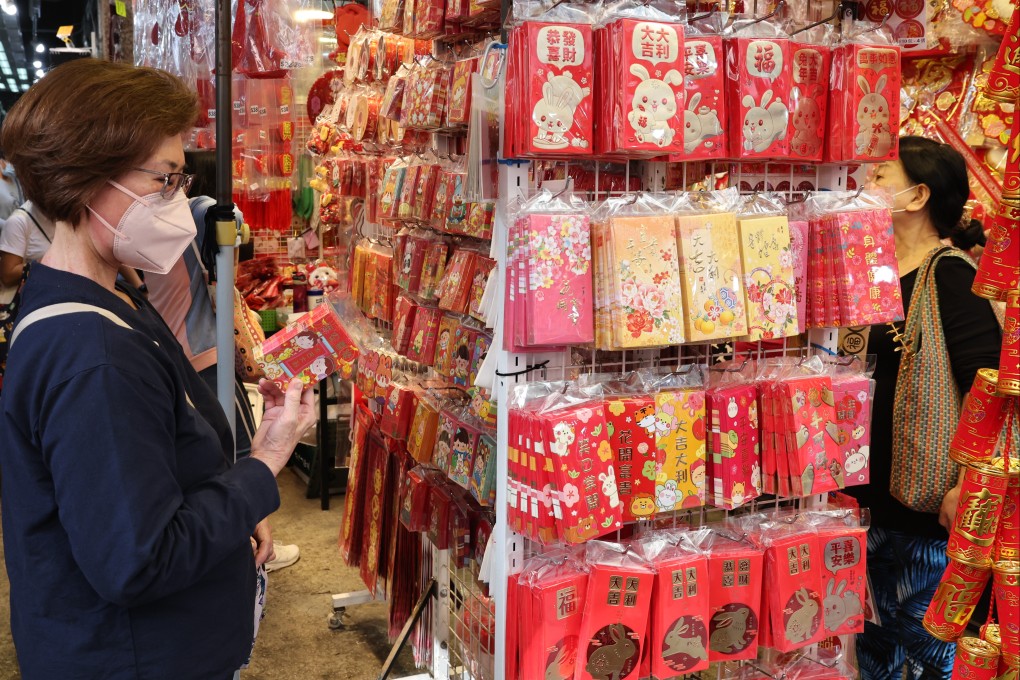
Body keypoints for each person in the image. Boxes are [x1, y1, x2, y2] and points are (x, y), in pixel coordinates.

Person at [0, 58, 317, 679]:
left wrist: (231, 511)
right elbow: (138, 559)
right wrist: (264, 464)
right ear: (88, 179)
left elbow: (147, 469)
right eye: (165, 180)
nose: (180, 202)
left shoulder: (106, 293)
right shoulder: (92, 354)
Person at [848, 136, 1002, 680]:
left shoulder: (952, 276)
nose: (865, 186)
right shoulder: (862, 273)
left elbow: (989, 385)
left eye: (879, 177)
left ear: (916, 196)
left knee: (929, 642)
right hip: (861, 501)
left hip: (927, 504)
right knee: (873, 640)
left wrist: (968, 484)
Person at [145, 150, 299, 572]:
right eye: (171, 175)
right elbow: (236, 224)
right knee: (234, 453)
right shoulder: (199, 212)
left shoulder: (163, 228)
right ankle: (247, 546)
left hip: (172, 355)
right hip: (202, 357)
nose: (174, 185)